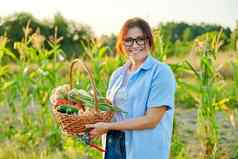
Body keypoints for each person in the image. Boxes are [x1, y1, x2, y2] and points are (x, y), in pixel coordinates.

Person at [86, 17, 176, 159]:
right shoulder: (117, 75)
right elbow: (112, 113)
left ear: (149, 41)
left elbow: (151, 120)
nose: (134, 45)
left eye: (140, 39)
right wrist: (90, 123)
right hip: (113, 144)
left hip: (143, 150)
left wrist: (107, 127)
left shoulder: (160, 72)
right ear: (122, 44)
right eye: (128, 40)